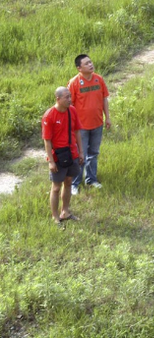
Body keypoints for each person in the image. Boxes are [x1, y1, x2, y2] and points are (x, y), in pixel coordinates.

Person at [68, 54, 110, 195]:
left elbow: (104, 99)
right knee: (80, 155)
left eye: (90, 62)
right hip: (81, 128)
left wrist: (107, 118)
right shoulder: (74, 83)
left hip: (97, 123)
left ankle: (91, 179)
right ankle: (75, 183)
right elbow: (69, 105)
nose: (90, 65)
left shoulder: (99, 79)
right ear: (79, 68)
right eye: (86, 63)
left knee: (93, 153)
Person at [42, 87, 84, 225]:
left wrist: (81, 152)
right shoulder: (49, 115)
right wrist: (51, 161)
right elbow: (47, 140)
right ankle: (55, 217)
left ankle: (65, 211)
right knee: (55, 187)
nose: (69, 99)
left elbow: (77, 132)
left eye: (70, 96)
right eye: (66, 97)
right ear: (58, 99)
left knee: (68, 182)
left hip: (72, 154)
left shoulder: (72, 110)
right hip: (58, 156)